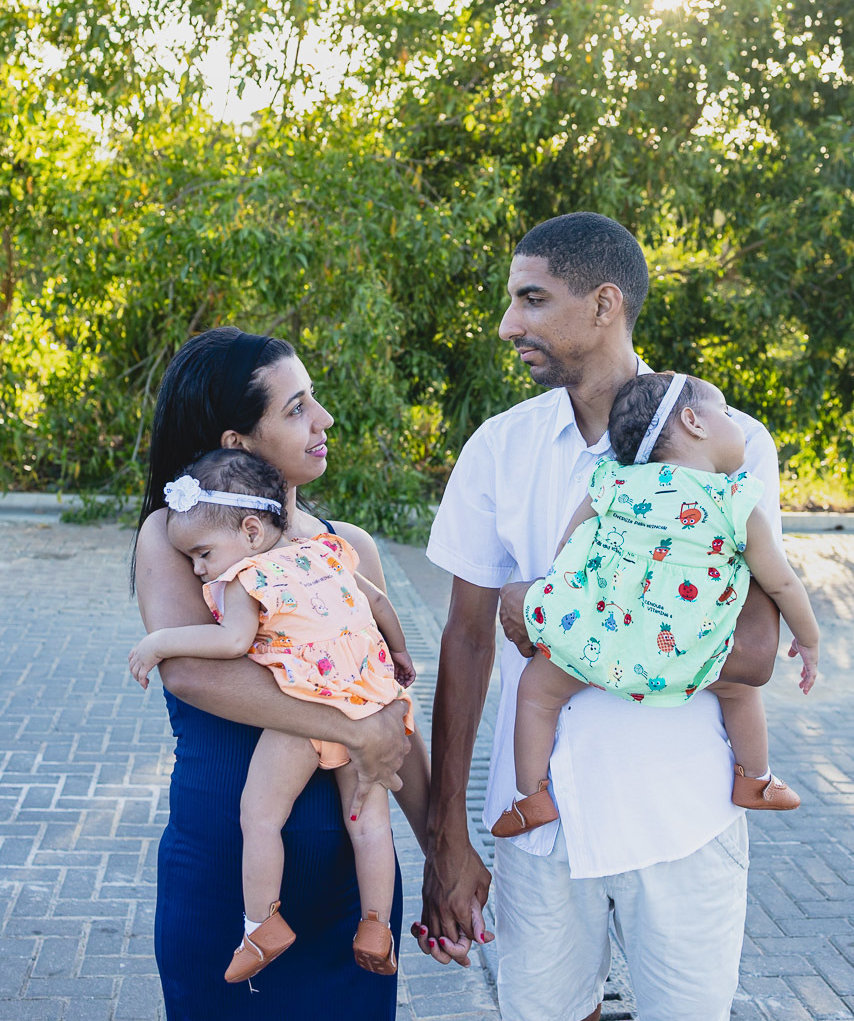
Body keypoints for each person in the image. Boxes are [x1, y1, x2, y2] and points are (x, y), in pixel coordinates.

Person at [416, 213, 785, 1021]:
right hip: (536, 834)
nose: (510, 324)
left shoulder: (731, 443)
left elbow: (756, 654)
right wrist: (445, 836)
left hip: (682, 817)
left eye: (532, 299)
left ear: (604, 303)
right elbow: (468, 640)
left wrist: (552, 622)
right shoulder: (498, 448)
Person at [134, 327, 421, 1020]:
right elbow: (194, 677)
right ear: (237, 443)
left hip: (354, 895)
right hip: (226, 887)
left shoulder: (348, 547)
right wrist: (350, 725)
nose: (324, 420)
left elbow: (391, 700)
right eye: (297, 408)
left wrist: (446, 848)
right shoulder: (177, 539)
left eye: (313, 400)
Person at [491, 370, 819, 840]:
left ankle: (531, 798)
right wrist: (809, 639)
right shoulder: (734, 502)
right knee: (740, 692)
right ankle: (755, 779)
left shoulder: (614, 483)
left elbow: (569, 549)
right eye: (725, 411)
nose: (735, 423)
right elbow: (783, 584)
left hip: (600, 641)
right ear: (694, 421)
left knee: (536, 693)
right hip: (692, 648)